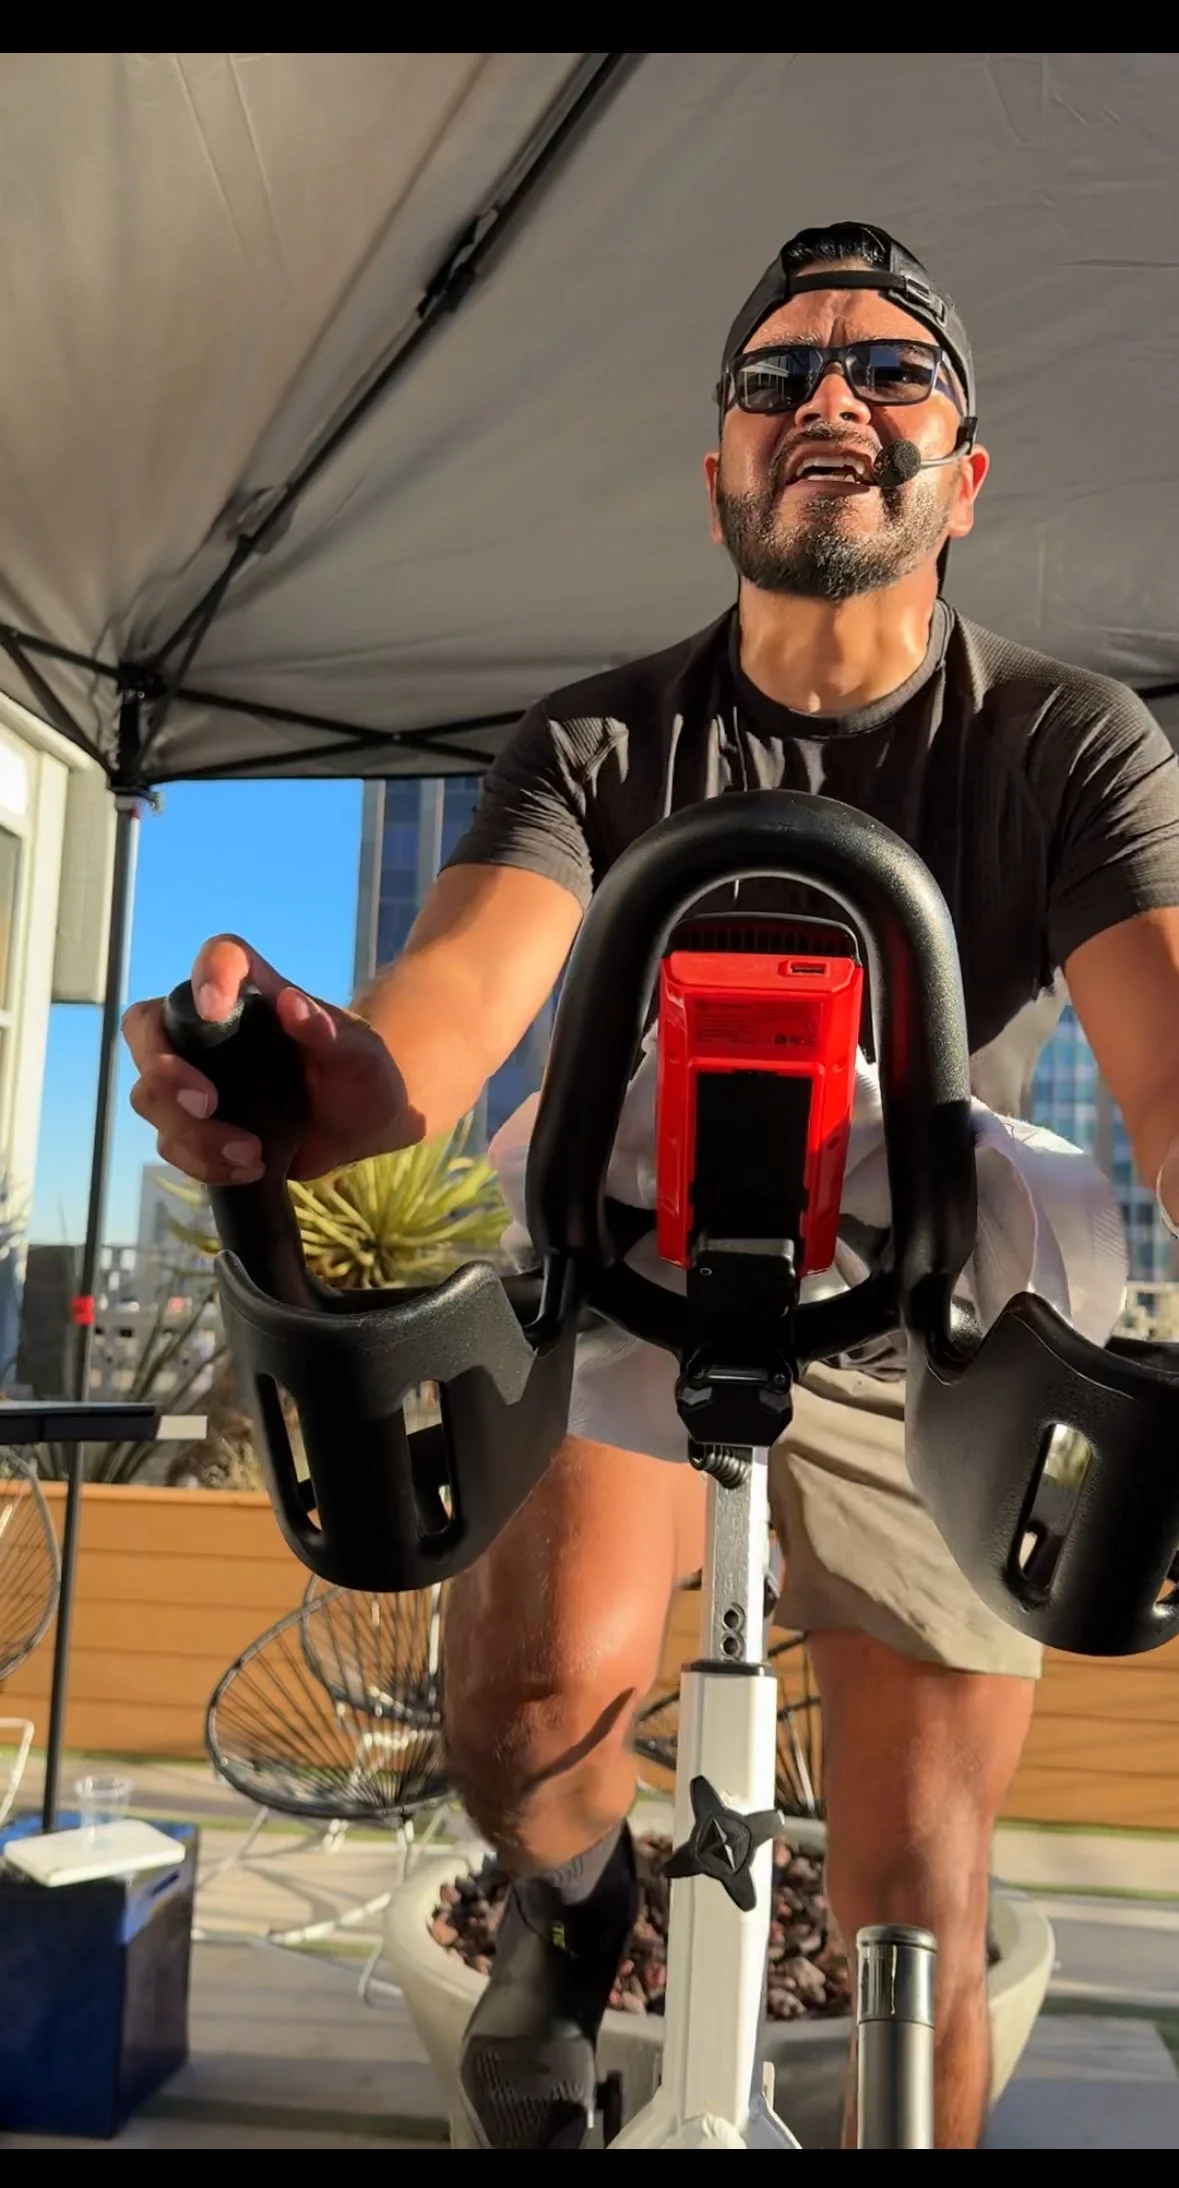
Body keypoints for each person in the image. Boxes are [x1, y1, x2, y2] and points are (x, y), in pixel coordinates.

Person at [122, 221, 1179, 2150]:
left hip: (930, 1311)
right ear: (718, 478)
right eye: (777, 378)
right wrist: (326, 1088)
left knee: (914, 1911)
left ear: (962, 476)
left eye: (888, 372)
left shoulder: (1065, 742)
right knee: (523, 1728)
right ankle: (578, 1903)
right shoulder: (601, 738)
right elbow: (448, 1013)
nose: (830, 398)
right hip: (639, 1272)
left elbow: (1168, 1069)